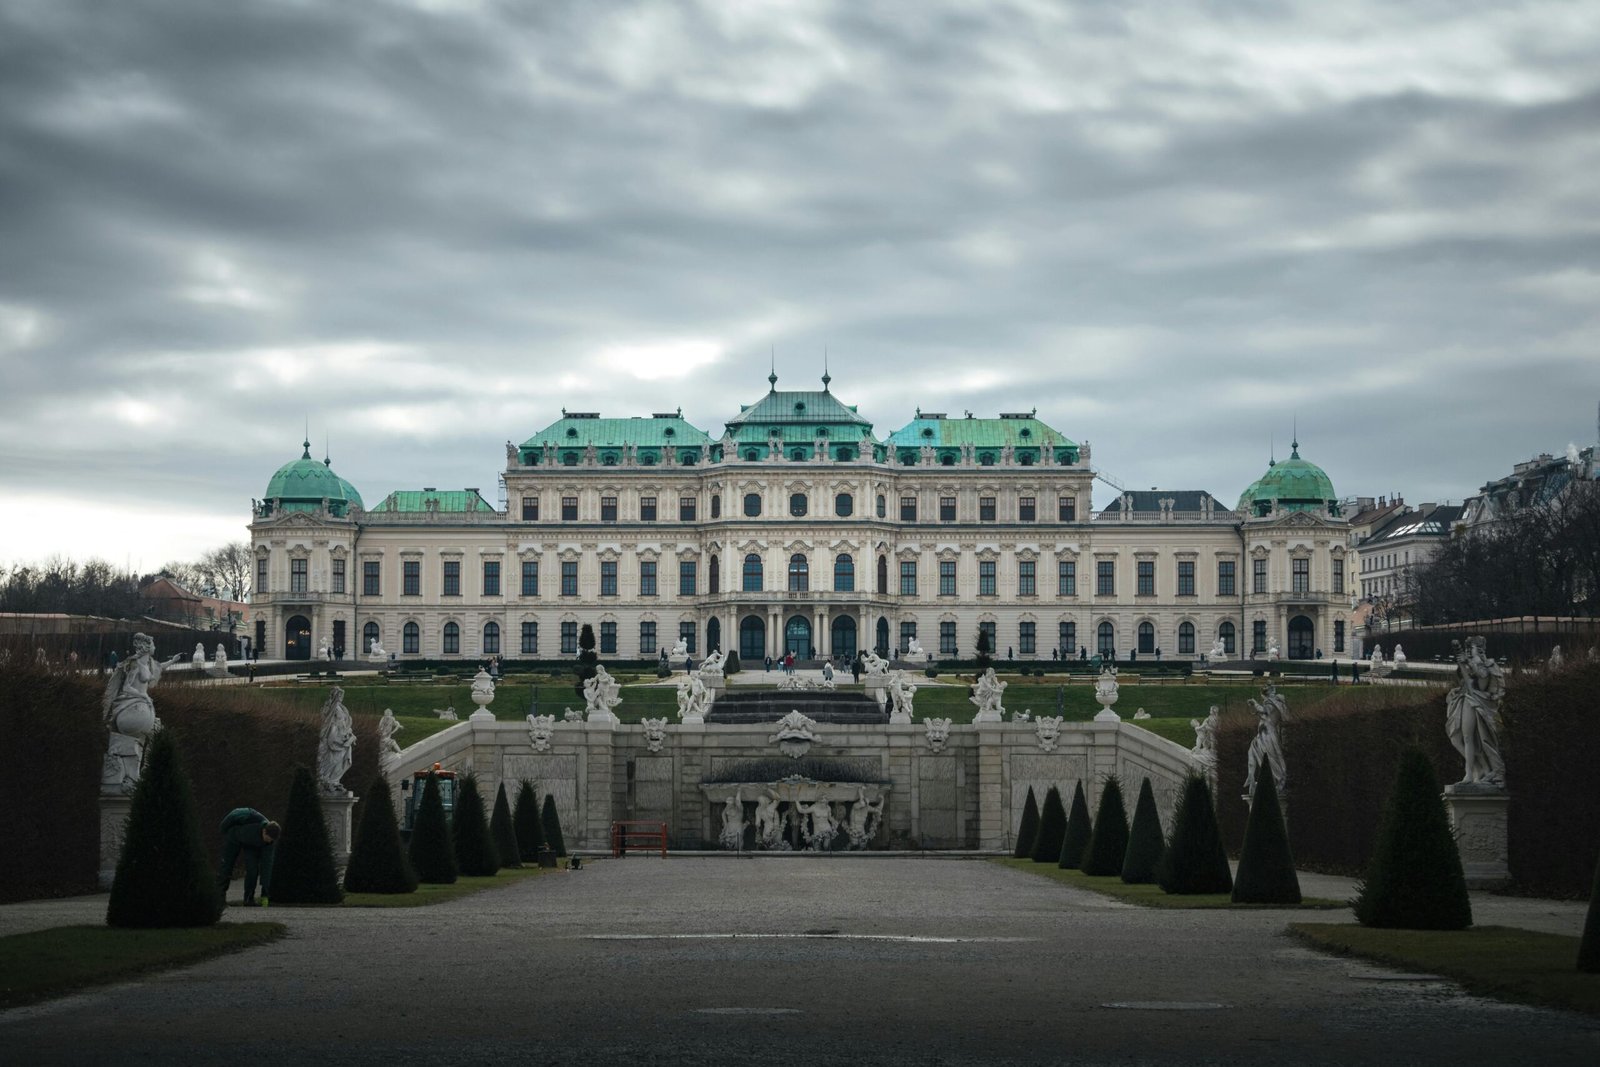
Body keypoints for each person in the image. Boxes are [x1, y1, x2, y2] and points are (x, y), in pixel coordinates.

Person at [217, 808, 280, 906]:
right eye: (267, 839)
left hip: (252, 845)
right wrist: (223, 830)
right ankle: (219, 898)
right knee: (226, 866)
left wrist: (265, 893)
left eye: (271, 841)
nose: (268, 842)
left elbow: (267, 867)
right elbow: (234, 814)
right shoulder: (250, 824)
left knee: (253, 870)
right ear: (264, 831)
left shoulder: (269, 844)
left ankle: (248, 899)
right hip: (234, 837)